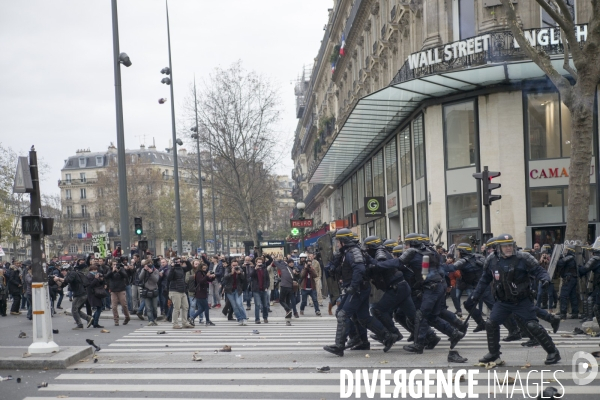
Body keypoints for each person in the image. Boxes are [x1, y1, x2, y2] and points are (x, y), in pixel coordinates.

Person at [469, 234, 560, 365]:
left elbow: (539, 270)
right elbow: (484, 279)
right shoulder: (491, 260)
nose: (508, 248)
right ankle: (494, 353)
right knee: (491, 323)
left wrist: (545, 279)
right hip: (502, 302)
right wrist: (475, 295)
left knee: (532, 325)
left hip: (522, 300)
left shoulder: (523, 258)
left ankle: (553, 352)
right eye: (505, 246)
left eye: (510, 245)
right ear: (498, 247)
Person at [323, 229, 397, 357]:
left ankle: (340, 345)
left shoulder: (353, 252)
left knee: (342, 314)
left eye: (338, 241)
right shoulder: (347, 252)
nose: (336, 244)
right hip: (359, 288)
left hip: (358, 289)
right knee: (363, 318)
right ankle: (387, 336)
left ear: (344, 241)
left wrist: (353, 285)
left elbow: (360, 269)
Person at [402, 233, 465, 354]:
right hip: (436, 287)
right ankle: (454, 333)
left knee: (423, 315)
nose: (406, 247)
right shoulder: (430, 253)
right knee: (431, 316)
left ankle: (419, 344)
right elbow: (426, 273)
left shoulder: (420, 254)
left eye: (407, 244)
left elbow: (431, 272)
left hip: (433, 288)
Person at [57, 264, 93, 329]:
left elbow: (68, 280)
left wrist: (59, 278)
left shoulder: (72, 273)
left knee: (74, 310)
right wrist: (58, 284)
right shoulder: (70, 274)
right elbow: (64, 283)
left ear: (67, 270)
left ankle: (80, 325)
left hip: (80, 294)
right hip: (80, 294)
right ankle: (88, 318)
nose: (62, 272)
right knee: (77, 310)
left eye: (63, 271)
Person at [168, 257, 193, 329]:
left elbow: (189, 267)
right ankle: (175, 323)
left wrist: (186, 261)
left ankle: (184, 323)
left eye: (179, 261)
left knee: (186, 306)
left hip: (182, 290)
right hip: (175, 290)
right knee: (177, 308)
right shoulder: (172, 269)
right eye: (177, 262)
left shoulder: (182, 269)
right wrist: (172, 267)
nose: (178, 263)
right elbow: (169, 278)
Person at [105, 259, 131, 326]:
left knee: (124, 305)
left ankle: (127, 317)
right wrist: (112, 271)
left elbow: (125, 276)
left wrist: (119, 271)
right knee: (114, 306)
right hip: (113, 290)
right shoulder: (110, 270)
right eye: (113, 264)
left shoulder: (121, 269)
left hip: (121, 289)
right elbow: (106, 276)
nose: (115, 266)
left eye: (116, 264)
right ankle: (116, 320)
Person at [222, 260, 248, 325]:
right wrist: (231, 273)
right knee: (234, 306)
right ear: (231, 265)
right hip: (229, 290)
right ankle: (239, 319)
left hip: (237, 290)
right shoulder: (227, 269)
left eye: (236, 265)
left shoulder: (240, 269)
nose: (234, 266)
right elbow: (225, 277)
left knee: (239, 304)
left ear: (238, 264)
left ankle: (244, 318)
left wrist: (239, 273)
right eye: (233, 265)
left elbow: (243, 278)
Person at [556, 244, 579, 319]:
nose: (565, 251)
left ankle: (563, 313)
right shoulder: (574, 257)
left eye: (566, 249)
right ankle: (575, 313)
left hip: (568, 278)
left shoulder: (569, 257)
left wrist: (560, 258)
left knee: (563, 296)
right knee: (573, 296)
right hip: (573, 278)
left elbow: (560, 263)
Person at [190, 262, 216, 326]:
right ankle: (207, 321)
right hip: (200, 292)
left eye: (205, 268)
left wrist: (213, 277)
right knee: (206, 307)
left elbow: (209, 280)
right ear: (200, 267)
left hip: (203, 292)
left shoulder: (204, 273)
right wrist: (206, 276)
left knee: (202, 308)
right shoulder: (199, 273)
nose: (204, 269)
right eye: (203, 268)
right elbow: (201, 281)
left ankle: (192, 318)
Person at [249, 256, 271, 324]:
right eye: (258, 262)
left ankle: (265, 318)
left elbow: (267, 279)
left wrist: (267, 286)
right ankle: (257, 319)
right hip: (256, 290)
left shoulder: (264, 269)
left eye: (261, 262)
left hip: (264, 289)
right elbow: (251, 276)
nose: (260, 263)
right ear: (256, 263)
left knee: (265, 305)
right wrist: (255, 269)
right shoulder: (253, 268)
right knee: (257, 305)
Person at [139, 260, 160, 326]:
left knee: (154, 307)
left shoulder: (155, 270)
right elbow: (140, 278)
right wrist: (144, 270)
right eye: (147, 264)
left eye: (149, 264)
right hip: (146, 290)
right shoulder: (143, 270)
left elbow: (156, 280)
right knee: (148, 307)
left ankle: (155, 319)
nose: (148, 266)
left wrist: (151, 273)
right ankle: (150, 320)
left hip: (154, 290)